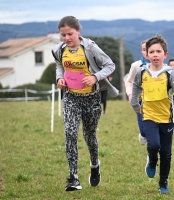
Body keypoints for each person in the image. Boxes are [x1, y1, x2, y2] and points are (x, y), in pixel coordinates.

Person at [52, 16, 118, 191]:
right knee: (70, 133)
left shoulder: (90, 47)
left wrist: (95, 77)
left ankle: (95, 165)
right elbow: (59, 65)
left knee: (89, 136)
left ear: (78, 31)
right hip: (71, 97)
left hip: (92, 98)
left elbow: (110, 65)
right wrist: (59, 78)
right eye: (63, 34)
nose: (66, 38)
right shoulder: (59, 50)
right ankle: (73, 177)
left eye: (70, 34)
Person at [130, 34, 174, 194]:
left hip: (167, 118)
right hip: (148, 115)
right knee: (154, 145)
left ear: (165, 54)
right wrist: (135, 104)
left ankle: (163, 182)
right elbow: (136, 87)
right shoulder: (142, 72)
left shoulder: (170, 73)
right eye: (151, 52)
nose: (155, 54)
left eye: (158, 51)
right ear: (146, 54)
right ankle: (152, 161)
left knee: (166, 153)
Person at [125, 40, 149, 145]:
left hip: (156, 102)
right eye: (144, 49)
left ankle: (151, 156)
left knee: (154, 132)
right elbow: (129, 81)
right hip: (140, 101)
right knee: (144, 131)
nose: (147, 52)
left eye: (149, 49)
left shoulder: (162, 66)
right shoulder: (136, 65)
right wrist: (130, 94)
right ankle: (143, 134)